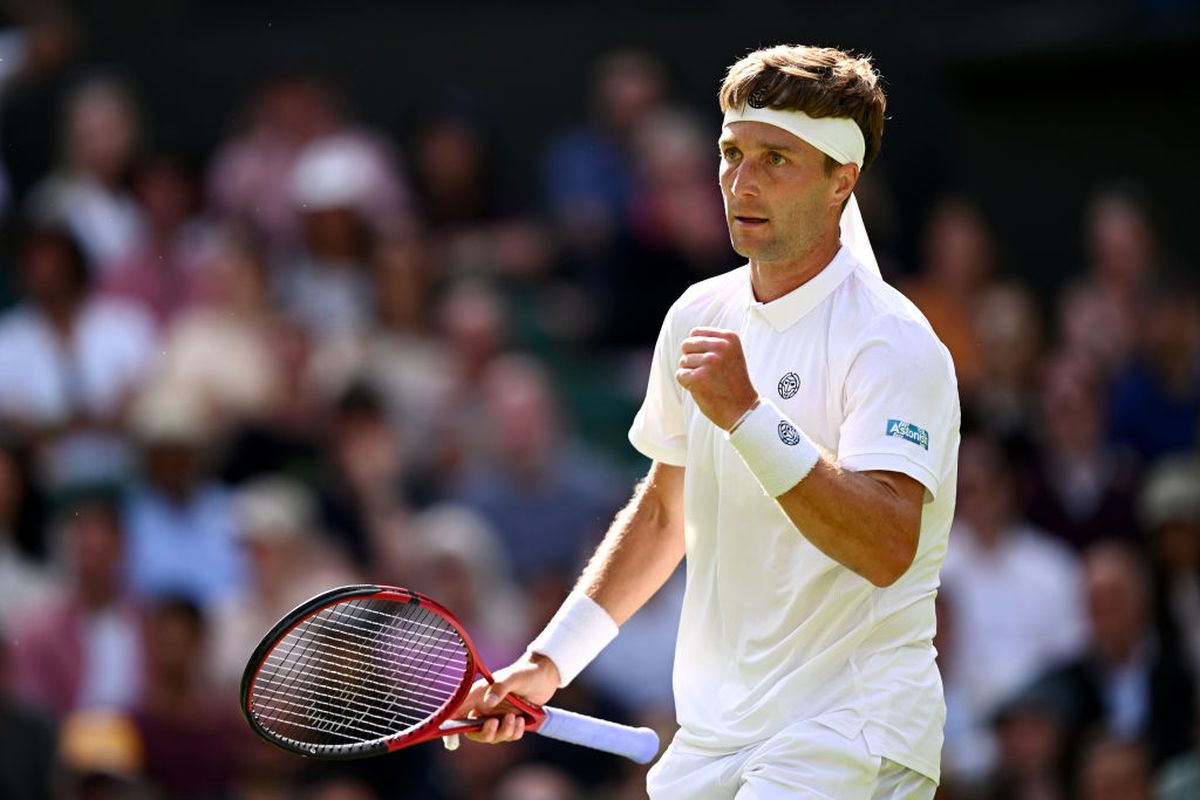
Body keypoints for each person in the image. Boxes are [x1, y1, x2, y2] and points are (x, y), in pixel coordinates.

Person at [456, 45, 960, 799]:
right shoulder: (697, 314)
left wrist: (751, 416)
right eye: (731, 153)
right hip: (718, 736)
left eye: (777, 160)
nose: (741, 181)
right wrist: (549, 663)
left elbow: (888, 545)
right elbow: (664, 513)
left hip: (849, 732)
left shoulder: (894, 341)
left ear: (841, 181)